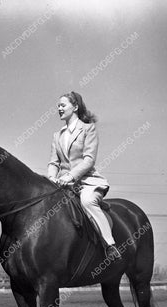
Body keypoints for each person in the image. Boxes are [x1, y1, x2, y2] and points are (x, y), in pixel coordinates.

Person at [48, 91, 121, 259]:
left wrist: (70, 176)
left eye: (63, 105)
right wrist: (52, 178)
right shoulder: (57, 135)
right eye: (58, 106)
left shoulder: (88, 129)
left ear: (75, 107)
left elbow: (89, 160)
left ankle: (109, 245)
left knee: (87, 202)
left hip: (87, 181)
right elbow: (53, 163)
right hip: (63, 184)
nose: (59, 108)